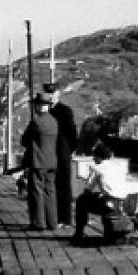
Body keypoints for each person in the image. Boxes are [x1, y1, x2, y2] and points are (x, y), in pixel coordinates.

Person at [71, 141, 132, 244]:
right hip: (124, 201)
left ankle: (79, 233)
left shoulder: (97, 168)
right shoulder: (119, 167)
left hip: (109, 203)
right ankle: (112, 234)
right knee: (103, 199)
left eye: (94, 156)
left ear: (99, 157)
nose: (93, 159)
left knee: (81, 200)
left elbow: (88, 189)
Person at [21, 91, 58, 231]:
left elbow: (24, 141)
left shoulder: (36, 122)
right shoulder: (54, 122)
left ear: (38, 106)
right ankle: (52, 222)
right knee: (50, 191)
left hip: (38, 162)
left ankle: (38, 222)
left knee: (37, 192)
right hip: (51, 161)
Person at [44, 82, 78, 227]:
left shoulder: (65, 111)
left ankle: (65, 219)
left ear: (58, 94)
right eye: (49, 94)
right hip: (50, 153)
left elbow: (72, 133)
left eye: (53, 94)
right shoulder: (47, 111)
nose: (51, 97)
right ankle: (55, 217)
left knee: (63, 186)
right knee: (53, 186)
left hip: (62, 153)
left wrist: (69, 150)